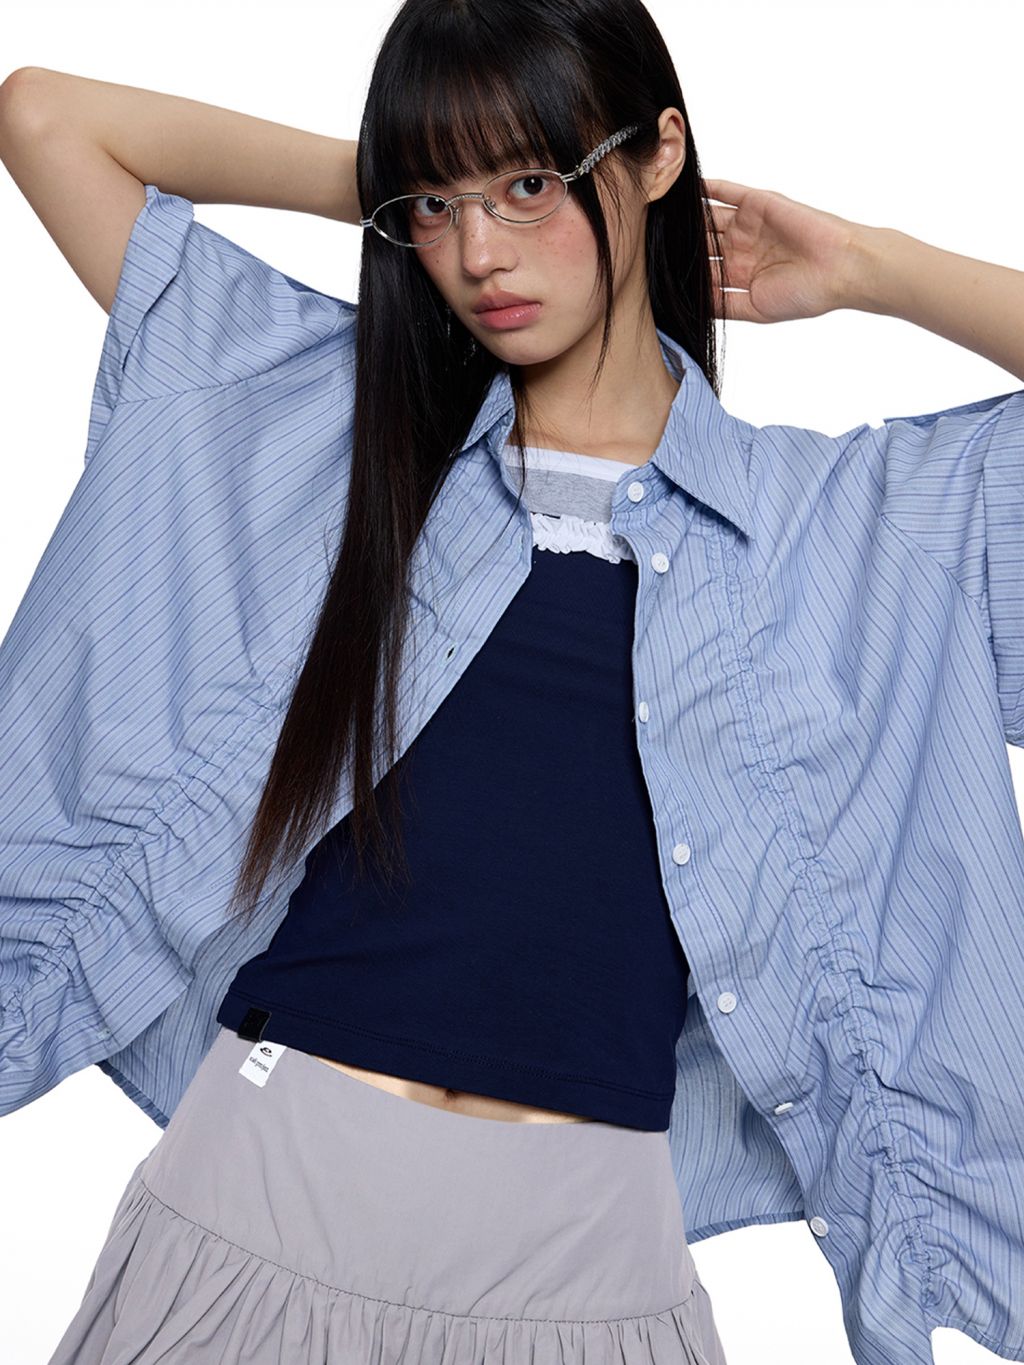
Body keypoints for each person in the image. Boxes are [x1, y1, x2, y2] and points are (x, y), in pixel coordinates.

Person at [3, 1, 1024, 1363]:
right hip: (258, 1197)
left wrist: (875, 267)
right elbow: (47, 118)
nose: (479, 254)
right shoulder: (334, 426)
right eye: (437, 205)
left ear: (658, 155)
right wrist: (406, 176)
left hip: (589, 1266)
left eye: (531, 187)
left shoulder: (856, 532)